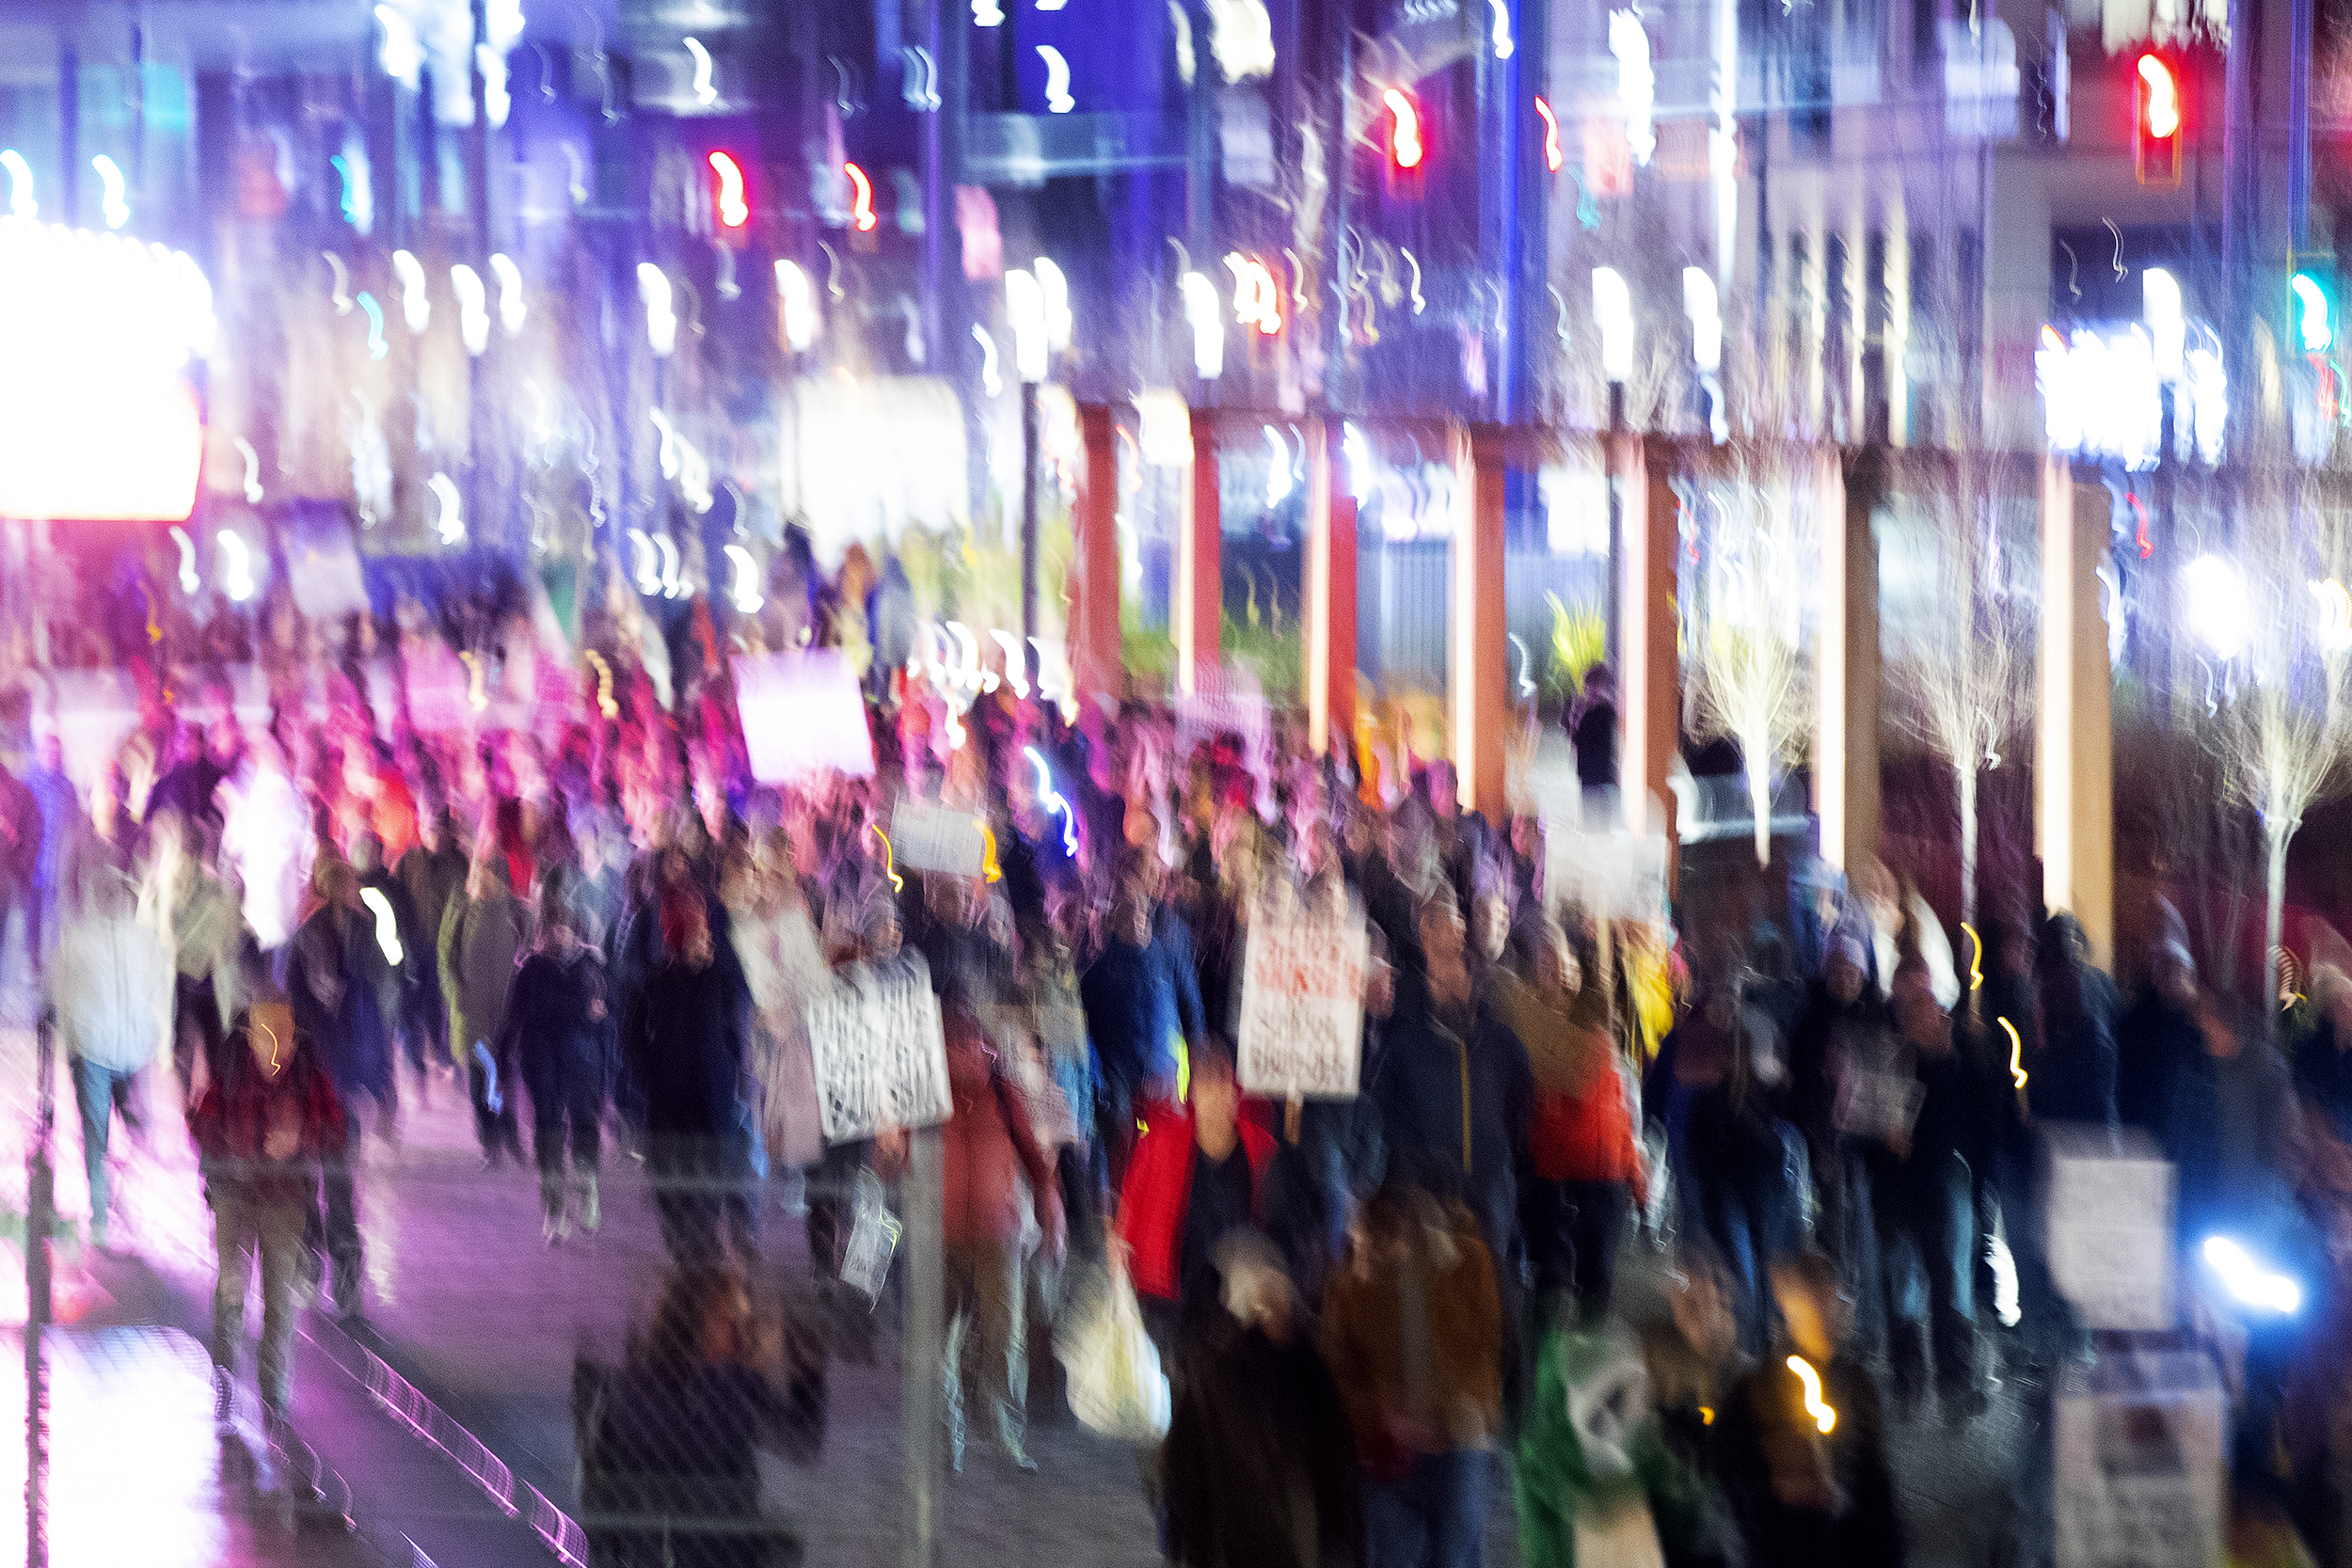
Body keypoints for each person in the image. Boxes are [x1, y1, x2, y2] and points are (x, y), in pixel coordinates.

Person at [190, 958, 350, 1426]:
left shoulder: (307, 1071)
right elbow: (202, 1124)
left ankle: (273, 1393)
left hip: (285, 1198)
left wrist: (303, 1134)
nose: (274, 1047)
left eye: (283, 1035)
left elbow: (337, 1129)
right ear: (249, 1032)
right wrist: (231, 1144)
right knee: (232, 1289)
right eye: (264, 1034)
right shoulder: (233, 1063)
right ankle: (223, 1379)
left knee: (279, 1298)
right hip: (234, 1196)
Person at [580, 1264, 826, 1568]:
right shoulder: (728, 1387)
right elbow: (802, 1444)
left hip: (684, 1550)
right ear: (692, 1323)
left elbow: (800, 1442)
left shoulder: (631, 1386)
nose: (740, 1334)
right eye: (728, 1322)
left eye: (742, 1322)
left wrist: (807, 1377)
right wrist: (808, 1376)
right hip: (707, 1550)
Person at [1321, 1177, 1504, 1568]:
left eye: (1370, 1246)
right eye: (1356, 1244)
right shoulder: (1349, 1279)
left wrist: (1459, 1406)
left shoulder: (1467, 1261)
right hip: (1385, 1452)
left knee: (1455, 1557)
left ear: (1404, 1234)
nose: (1360, 1257)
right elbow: (1337, 1371)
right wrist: (1381, 1414)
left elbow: (1488, 1346)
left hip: (1459, 1443)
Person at [1161, 1231, 1365, 1568]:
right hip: (1249, 1545)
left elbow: (1336, 1457)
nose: (1280, 1296)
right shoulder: (1216, 1367)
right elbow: (1185, 1470)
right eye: (1268, 1285)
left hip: (1291, 1541)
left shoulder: (1304, 1363)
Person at [929, 1000, 1065, 1472]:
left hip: (998, 1234)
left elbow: (1039, 1166)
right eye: (954, 1044)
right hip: (938, 1236)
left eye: (971, 1042)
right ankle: (949, 1436)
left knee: (1005, 1340)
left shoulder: (1004, 1094)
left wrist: (1051, 1221)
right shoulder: (922, 1095)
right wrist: (887, 1148)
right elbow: (891, 1168)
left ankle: (1005, 1434)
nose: (967, 1052)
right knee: (935, 1342)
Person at [1498, 918, 1644, 1329]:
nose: (1559, 968)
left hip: (1606, 1181)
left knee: (1598, 1286)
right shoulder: (1526, 1029)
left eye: (1563, 958)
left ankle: (1590, 1375)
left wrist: (1632, 1169)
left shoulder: (1598, 1029)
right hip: (1556, 1181)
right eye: (1547, 960)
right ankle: (1549, 1378)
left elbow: (1618, 1112)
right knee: (1554, 1287)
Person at [1862, 960, 1993, 1418]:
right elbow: (1861, 1131)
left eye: (1937, 1011)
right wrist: (1883, 1141)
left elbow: (1970, 1125)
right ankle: (1908, 1381)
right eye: (1925, 1013)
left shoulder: (1953, 1064)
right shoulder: (1886, 1065)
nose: (1937, 1019)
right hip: (1896, 1194)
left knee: (1947, 1286)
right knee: (1902, 1287)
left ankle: (1954, 1383)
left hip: (1938, 1191)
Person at [1717, 1252, 1903, 1567]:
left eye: (1835, 1298)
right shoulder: (1749, 1393)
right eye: (1811, 1301)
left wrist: (1848, 1505)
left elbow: (1878, 1492)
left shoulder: (1859, 1387)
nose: (1828, 1311)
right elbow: (1731, 1484)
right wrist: (1780, 1489)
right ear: (1785, 1304)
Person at [1116, 1039, 1276, 1370]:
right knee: (1183, 1382)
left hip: (1237, 1294)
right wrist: (1122, 1266)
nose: (1217, 1097)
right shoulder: (1159, 1143)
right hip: (1171, 1292)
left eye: (1223, 1084)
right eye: (1206, 1086)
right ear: (1192, 1094)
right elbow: (1131, 1210)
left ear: (1236, 1091)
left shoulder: (1261, 1149)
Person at [287, 856, 396, 1318]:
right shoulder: (329, 946)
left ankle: (323, 1261)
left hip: (324, 1082)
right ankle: (335, 1266)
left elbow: (286, 1022)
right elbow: (373, 1019)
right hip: (333, 1081)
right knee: (333, 1181)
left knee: (320, 1179)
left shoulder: (307, 946)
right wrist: (382, 1088)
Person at [626, 883, 757, 1265]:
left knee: (708, 1184)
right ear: (681, 938)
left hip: (712, 1102)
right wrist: (651, 1076)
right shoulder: (654, 985)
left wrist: (731, 1072)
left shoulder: (720, 980)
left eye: (708, 934)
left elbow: (735, 1032)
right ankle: (684, 1251)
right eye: (700, 934)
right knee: (672, 1186)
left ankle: (703, 1252)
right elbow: (632, 1039)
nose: (708, 941)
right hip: (669, 1106)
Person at [47, 865, 172, 1252]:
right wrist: (73, 1040)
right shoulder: (80, 939)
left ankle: (116, 1203)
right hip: (99, 1053)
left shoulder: (144, 941)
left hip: (126, 1052)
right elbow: (60, 991)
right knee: (98, 1137)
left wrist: (157, 1039)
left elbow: (160, 991)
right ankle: (101, 1212)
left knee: (128, 1135)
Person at [501, 879, 612, 1243]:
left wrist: (601, 1020)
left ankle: (587, 1185)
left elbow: (606, 1017)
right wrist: (503, 1065)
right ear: (543, 932)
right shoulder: (530, 970)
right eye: (553, 927)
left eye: (566, 926)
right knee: (548, 1129)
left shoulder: (589, 965)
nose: (560, 934)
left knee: (583, 1123)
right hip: (541, 1059)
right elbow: (513, 1018)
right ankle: (553, 1208)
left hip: (581, 1059)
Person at [1081, 870, 1208, 1191]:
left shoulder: (1169, 958)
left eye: (1140, 911)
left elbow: (1192, 1013)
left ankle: (1166, 1194)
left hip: (1162, 1066)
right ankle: (1121, 1199)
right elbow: (1088, 1031)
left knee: (1168, 1139)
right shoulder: (1099, 973)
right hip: (1119, 1070)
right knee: (1121, 1137)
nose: (1135, 920)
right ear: (1113, 921)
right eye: (1126, 914)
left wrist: (1199, 1063)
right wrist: (1100, 1077)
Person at [439, 843, 532, 1165]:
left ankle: (509, 1135)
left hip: (507, 1014)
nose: (487, 880)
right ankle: (489, 1142)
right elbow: (448, 958)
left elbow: (528, 958)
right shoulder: (464, 911)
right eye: (483, 873)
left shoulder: (517, 914)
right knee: (480, 1079)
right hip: (473, 1012)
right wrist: (459, 998)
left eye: (493, 874)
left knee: (505, 1076)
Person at [1566, 666, 1618, 830]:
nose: (1588, 691)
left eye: (1591, 686)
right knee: (1597, 824)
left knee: (1594, 824)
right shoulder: (1605, 712)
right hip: (1597, 775)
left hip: (1596, 776)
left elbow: (1577, 742)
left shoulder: (1600, 713)